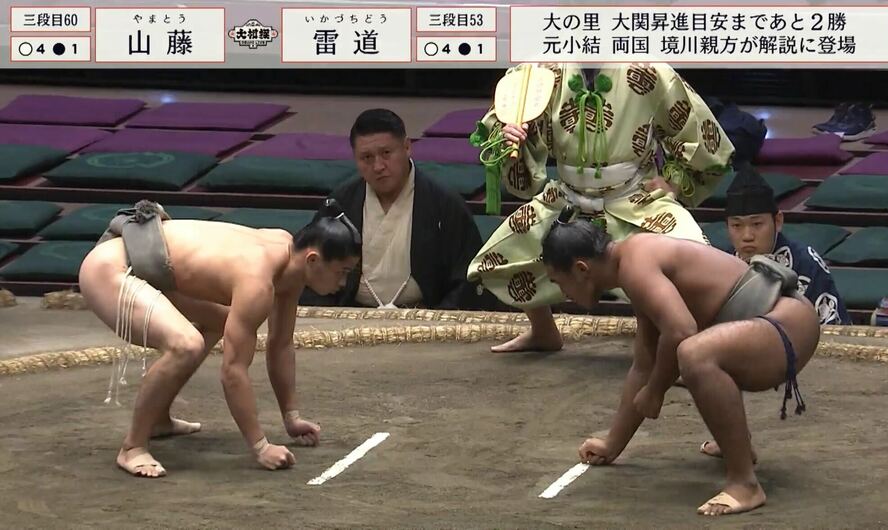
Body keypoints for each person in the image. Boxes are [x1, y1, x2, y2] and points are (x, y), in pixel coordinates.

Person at [541, 208, 820, 516]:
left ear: (581, 269)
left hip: (786, 326)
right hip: (770, 326)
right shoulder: (633, 261)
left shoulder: (636, 263)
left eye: (558, 281)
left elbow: (680, 331)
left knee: (694, 353)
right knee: (693, 349)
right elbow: (644, 364)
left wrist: (656, 391)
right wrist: (613, 442)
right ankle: (738, 446)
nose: (562, 293)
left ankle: (745, 484)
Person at [78, 199, 361, 478]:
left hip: (149, 266)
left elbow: (281, 345)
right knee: (186, 345)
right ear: (313, 259)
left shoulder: (289, 256)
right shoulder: (258, 281)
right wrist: (260, 446)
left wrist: (291, 417)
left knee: (223, 322)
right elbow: (233, 371)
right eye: (343, 272)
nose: (343, 283)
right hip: (112, 269)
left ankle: (158, 418)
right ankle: (133, 446)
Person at [467, 63, 735, 352]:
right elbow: (502, 125)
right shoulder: (540, 75)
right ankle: (543, 331)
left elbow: (698, 130)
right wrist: (512, 137)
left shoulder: (648, 71)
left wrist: (674, 180)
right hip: (566, 199)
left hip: (634, 198)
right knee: (500, 259)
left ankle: (693, 348)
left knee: (691, 257)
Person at [302, 108, 486, 310]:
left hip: (423, 319)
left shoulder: (444, 203)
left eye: (386, 153)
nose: (378, 166)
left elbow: (467, 278)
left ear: (407, 147)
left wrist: (436, 325)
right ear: (355, 159)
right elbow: (313, 270)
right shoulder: (340, 203)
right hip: (352, 315)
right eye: (367, 157)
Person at [725, 163, 851, 325]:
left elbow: (829, 326)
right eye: (737, 226)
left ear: (777, 221)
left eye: (757, 224)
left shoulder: (806, 263)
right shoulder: (723, 263)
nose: (747, 236)